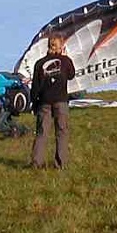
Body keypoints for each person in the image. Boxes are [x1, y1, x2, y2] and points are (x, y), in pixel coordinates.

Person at [30, 35, 76, 169]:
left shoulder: (39, 63)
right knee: (61, 132)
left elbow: (35, 86)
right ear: (60, 46)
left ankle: (36, 162)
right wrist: (65, 57)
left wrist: (34, 102)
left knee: (42, 133)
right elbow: (71, 75)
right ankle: (61, 164)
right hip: (61, 101)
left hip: (44, 102)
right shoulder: (65, 61)